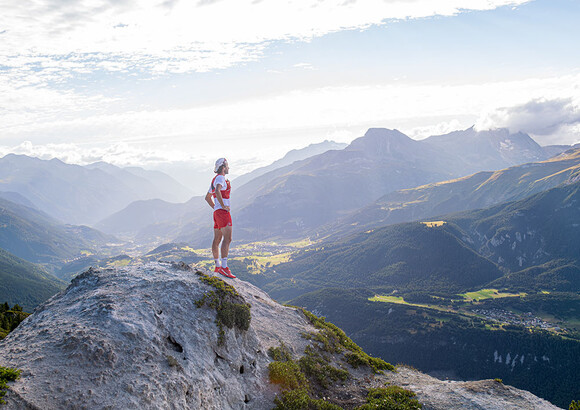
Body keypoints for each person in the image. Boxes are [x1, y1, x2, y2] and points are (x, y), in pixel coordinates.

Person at [205, 158, 236, 278]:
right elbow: (218, 190)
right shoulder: (221, 178)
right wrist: (223, 206)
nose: (228, 168)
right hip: (223, 213)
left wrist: (216, 207)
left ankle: (217, 265)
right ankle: (224, 267)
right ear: (223, 168)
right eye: (227, 166)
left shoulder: (214, 179)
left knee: (217, 239)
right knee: (227, 239)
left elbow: (207, 197)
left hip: (217, 213)